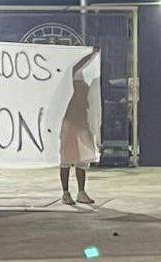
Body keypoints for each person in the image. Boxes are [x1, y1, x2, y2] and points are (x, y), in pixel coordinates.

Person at [60, 46, 101, 206]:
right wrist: (92, 55)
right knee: (66, 160)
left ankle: (81, 192)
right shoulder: (70, 79)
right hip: (70, 124)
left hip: (83, 124)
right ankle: (65, 193)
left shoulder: (85, 82)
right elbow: (77, 67)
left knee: (82, 160)